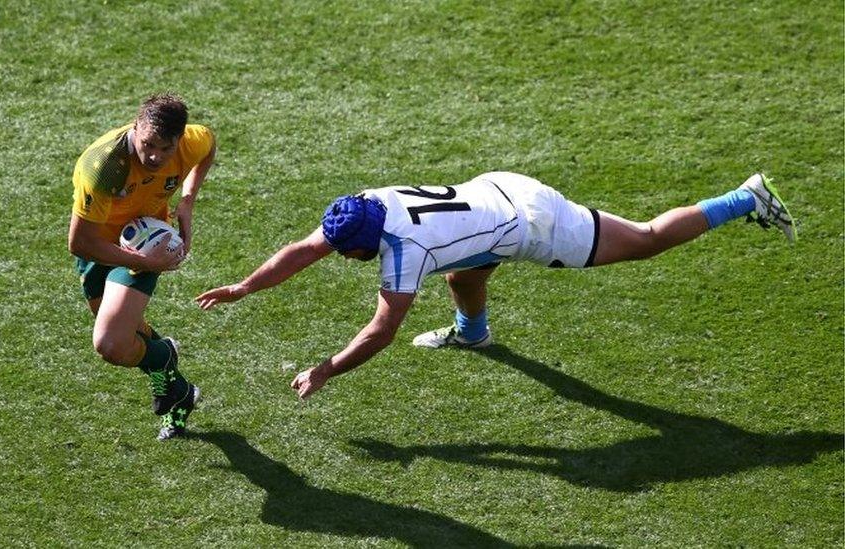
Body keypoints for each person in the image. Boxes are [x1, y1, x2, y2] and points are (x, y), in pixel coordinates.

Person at [196, 171, 795, 400]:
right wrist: (244, 288)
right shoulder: (370, 205)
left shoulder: (404, 252)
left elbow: (382, 330)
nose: (340, 257)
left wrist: (326, 368)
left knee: (644, 239)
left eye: (346, 252)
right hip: (497, 193)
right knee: (464, 272)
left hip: (535, 224)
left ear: (367, 240)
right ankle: (472, 334)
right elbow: (306, 249)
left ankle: (746, 198)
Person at [68, 93, 215, 440]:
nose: (155, 156)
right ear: (135, 128)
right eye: (148, 144)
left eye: (166, 148)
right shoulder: (104, 166)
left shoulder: (189, 144)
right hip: (100, 249)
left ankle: (165, 368)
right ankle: (175, 384)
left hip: (146, 240)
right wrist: (145, 261)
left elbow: (209, 147)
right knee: (127, 338)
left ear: (178, 140)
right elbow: (80, 243)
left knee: (110, 343)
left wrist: (188, 202)